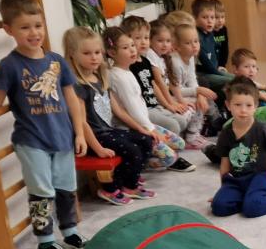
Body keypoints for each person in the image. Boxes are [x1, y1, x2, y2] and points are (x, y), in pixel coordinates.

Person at [0, 0, 87, 249]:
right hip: (32, 140)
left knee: (66, 187)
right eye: (25, 27)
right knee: (42, 191)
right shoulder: (10, 65)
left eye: (38, 26)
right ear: (9, 30)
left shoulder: (56, 61)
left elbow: (72, 99)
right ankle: (46, 243)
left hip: (62, 138)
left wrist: (79, 133)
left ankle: (70, 232)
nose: (34, 33)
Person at [62, 26, 154, 206]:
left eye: (97, 52)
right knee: (132, 151)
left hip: (108, 132)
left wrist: (141, 128)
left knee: (145, 140)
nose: (94, 57)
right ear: (72, 54)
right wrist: (98, 150)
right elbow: (81, 122)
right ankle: (111, 188)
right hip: (93, 139)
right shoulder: (77, 85)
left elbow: (118, 110)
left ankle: (128, 181)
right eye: (87, 53)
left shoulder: (100, 77)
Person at [102, 27, 194, 173]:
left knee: (179, 144)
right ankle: (142, 161)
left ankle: (148, 151)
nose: (132, 50)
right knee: (170, 158)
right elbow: (132, 109)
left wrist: (151, 127)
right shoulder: (117, 76)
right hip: (132, 128)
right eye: (125, 48)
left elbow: (139, 103)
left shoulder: (127, 71)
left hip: (145, 124)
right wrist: (149, 130)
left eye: (132, 45)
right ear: (112, 53)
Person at [209, 78, 266, 218]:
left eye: (248, 105)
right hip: (237, 178)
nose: (243, 110)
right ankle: (249, 198)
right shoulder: (225, 133)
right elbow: (225, 164)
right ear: (228, 105)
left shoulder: (264, 129)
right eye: (237, 105)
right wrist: (223, 191)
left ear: (256, 105)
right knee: (219, 206)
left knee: (252, 208)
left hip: (261, 176)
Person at [122, 16, 196, 144]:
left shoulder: (145, 61)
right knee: (174, 126)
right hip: (144, 109)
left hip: (155, 105)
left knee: (182, 121)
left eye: (146, 38)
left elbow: (153, 85)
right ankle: (159, 146)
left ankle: (167, 143)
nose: (143, 42)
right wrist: (169, 104)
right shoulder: (129, 65)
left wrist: (168, 105)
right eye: (138, 38)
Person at [205, 81, 266, 164]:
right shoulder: (265, 116)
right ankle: (210, 150)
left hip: (247, 138)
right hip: (231, 133)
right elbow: (265, 142)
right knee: (235, 162)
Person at [170, 22, 216, 147]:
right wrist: (198, 91)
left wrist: (199, 94)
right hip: (172, 96)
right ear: (177, 46)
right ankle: (190, 137)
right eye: (188, 43)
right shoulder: (175, 62)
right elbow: (175, 89)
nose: (194, 45)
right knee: (195, 103)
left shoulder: (190, 57)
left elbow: (192, 79)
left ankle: (195, 133)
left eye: (196, 41)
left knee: (202, 100)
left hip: (182, 93)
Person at [192, 0, 231, 94]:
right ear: (195, 18)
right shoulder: (196, 36)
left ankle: (260, 93)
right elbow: (206, 63)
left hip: (214, 70)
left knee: (239, 78)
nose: (210, 21)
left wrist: (220, 67)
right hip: (203, 74)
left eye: (212, 17)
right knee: (233, 81)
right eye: (205, 17)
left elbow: (216, 52)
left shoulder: (210, 33)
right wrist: (219, 73)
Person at [209, 0, 229, 70]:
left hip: (221, 65)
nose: (220, 20)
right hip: (210, 65)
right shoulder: (208, 32)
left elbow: (225, 48)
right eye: (217, 17)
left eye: (222, 17)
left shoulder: (224, 29)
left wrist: (222, 64)